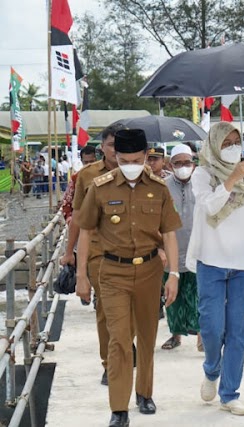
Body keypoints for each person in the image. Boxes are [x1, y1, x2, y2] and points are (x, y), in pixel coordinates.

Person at [75, 129, 182, 427]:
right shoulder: (100, 187)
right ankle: (118, 408)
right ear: (115, 157)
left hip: (150, 271)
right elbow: (84, 232)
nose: (130, 164)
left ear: (147, 156)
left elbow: (170, 234)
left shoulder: (159, 189)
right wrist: (81, 275)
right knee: (119, 340)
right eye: (124, 160)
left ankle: (144, 393)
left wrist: (173, 274)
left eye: (136, 159)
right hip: (112, 272)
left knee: (147, 337)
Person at [186, 122, 244, 416]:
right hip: (211, 261)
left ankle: (230, 393)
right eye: (227, 142)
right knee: (211, 328)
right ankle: (212, 369)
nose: (234, 146)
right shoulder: (203, 174)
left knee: (238, 332)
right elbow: (209, 206)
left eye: (237, 141)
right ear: (214, 145)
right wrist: (231, 179)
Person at [60, 124, 134, 384]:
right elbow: (79, 219)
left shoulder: (140, 172)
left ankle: (124, 343)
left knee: (133, 310)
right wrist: (71, 253)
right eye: (112, 144)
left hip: (135, 253)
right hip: (99, 253)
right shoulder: (87, 176)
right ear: (102, 146)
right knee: (106, 308)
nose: (116, 150)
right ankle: (110, 362)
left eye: (122, 144)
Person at [160, 144, 202, 351]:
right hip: (171, 249)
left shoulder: (203, 184)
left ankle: (202, 337)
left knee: (199, 295)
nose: (183, 167)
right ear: (170, 164)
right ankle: (175, 335)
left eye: (187, 162)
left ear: (194, 164)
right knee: (172, 297)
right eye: (178, 163)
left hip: (199, 249)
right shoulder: (162, 187)